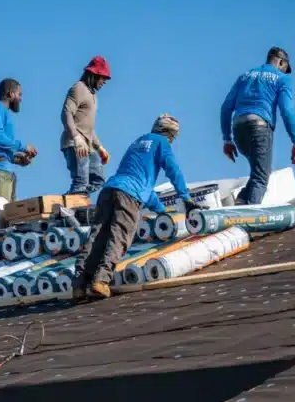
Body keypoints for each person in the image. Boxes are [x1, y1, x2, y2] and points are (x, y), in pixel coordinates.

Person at [73, 114, 207, 300]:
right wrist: (185, 198)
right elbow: (173, 170)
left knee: (97, 237)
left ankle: (79, 285)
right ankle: (101, 281)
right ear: (170, 134)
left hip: (110, 189)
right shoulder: (161, 143)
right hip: (129, 195)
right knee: (119, 237)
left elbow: (143, 187)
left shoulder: (138, 142)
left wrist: (161, 211)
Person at [219, 46, 295, 205]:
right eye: (285, 68)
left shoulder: (245, 76)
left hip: (238, 129)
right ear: (281, 63)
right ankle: (249, 215)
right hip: (259, 128)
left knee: (258, 174)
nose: (285, 72)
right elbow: (287, 110)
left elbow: (226, 107)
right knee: (261, 178)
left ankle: (240, 203)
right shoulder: (282, 79)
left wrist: (227, 139)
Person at [61, 56, 112, 196]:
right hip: (75, 144)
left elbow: (87, 127)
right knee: (81, 183)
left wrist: (99, 147)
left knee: (98, 180)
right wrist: (76, 138)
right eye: (102, 78)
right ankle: (73, 202)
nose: (104, 82)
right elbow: (66, 113)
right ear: (93, 75)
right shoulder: (78, 88)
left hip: (88, 145)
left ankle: (72, 199)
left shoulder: (93, 95)